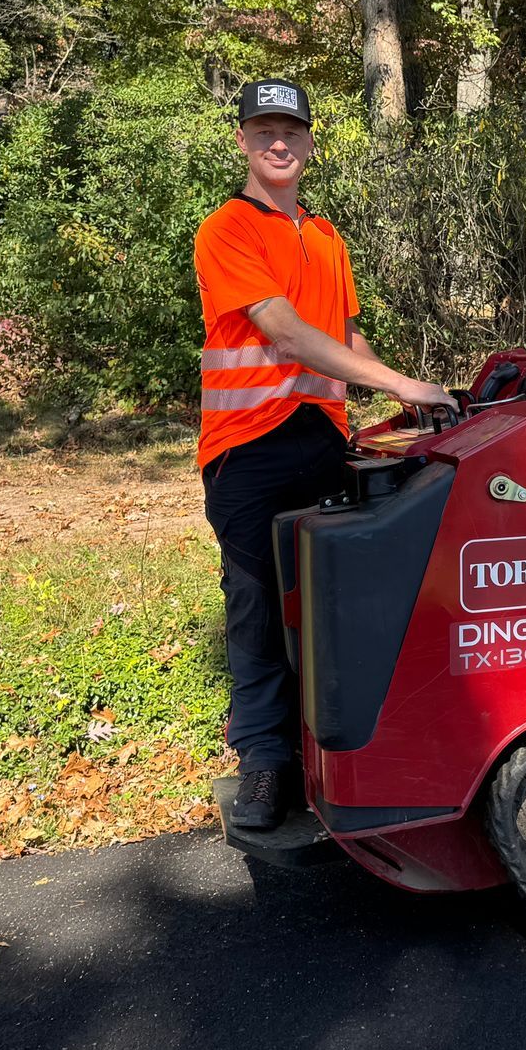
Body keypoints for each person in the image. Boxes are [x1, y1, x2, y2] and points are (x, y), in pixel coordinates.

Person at [194, 77, 456, 831]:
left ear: (310, 142)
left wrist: (407, 397)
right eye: (264, 130)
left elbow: (341, 339)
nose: (279, 143)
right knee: (257, 610)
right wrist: (397, 379)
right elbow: (281, 329)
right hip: (248, 451)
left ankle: (340, 754)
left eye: (292, 131)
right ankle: (265, 763)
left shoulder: (327, 235)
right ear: (243, 139)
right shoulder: (227, 229)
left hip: (320, 441)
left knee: (332, 604)